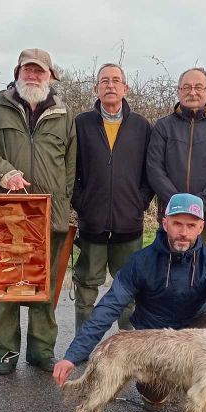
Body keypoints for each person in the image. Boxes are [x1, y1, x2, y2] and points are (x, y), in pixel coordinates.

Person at [53, 193, 206, 412]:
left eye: (190, 225)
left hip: (195, 332)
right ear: (164, 223)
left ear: (201, 227)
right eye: (177, 224)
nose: (183, 232)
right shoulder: (141, 261)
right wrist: (73, 355)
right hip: (155, 341)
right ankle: (176, 386)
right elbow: (109, 307)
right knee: (154, 394)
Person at [0, 48, 76, 374]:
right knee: (8, 282)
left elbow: (71, 166)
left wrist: (64, 205)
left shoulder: (63, 113)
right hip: (7, 213)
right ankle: (3, 352)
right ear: (17, 72)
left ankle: (42, 351)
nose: (32, 75)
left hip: (49, 216)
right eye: (27, 69)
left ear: (51, 76)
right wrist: (3, 171)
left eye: (39, 71)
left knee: (45, 285)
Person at [71, 62, 152, 333]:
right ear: (96, 88)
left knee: (128, 288)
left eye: (116, 80)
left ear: (125, 88)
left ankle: (128, 347)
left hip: (128, 223)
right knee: (86, 286)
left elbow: (148, 172)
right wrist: (81, 204)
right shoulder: (81, 124)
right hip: (92, 222)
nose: (110, 85)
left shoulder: (141, 126)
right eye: (104, 81)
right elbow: (71, 171)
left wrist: (139, 202)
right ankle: (84, 343)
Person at [147, 67, 206, 251]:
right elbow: (154, 168)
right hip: (172, 216)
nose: (192, 92)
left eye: (198, 87)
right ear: (179, 91)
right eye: (186, 87)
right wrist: (178, 205)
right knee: (169, 271)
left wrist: (198, 205)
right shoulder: (163, 126)